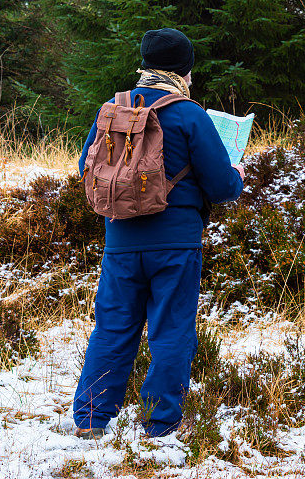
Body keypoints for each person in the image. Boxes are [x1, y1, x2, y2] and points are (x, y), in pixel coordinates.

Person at [73, 28, 244, 439]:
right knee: (171, 330)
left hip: (121, 242)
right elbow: (221, 188)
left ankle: (92, 420)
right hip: (176, 245)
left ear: (145, 64)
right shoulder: (189, 114)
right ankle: (159, 424)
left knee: (112, 328)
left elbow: (86, 170)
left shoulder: (113, 110)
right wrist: (237, 175)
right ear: (185, 70)